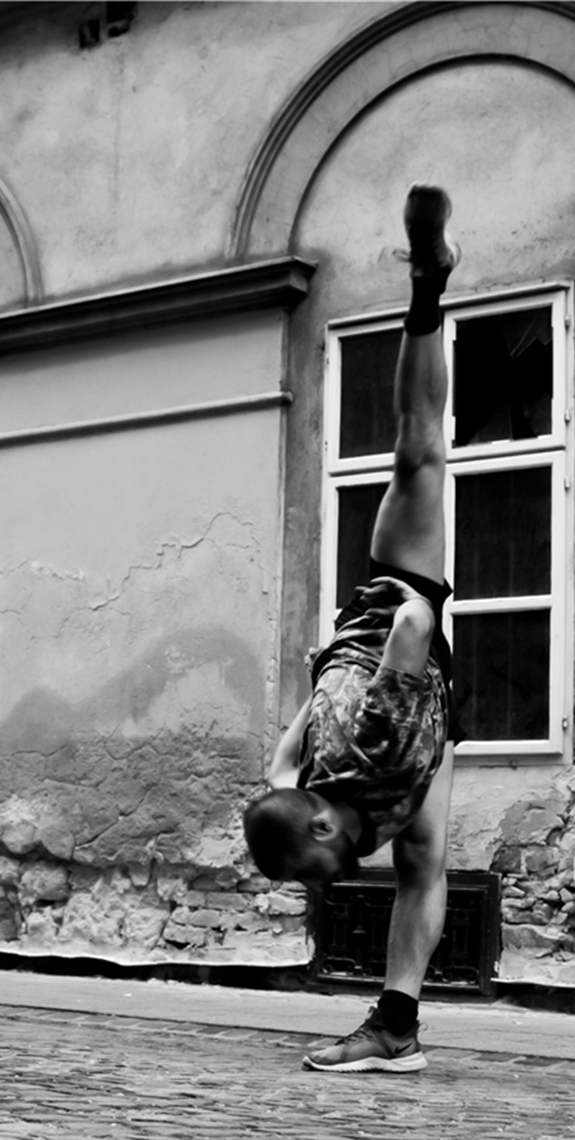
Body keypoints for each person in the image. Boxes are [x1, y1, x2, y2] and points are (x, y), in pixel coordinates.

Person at [244, 183, 461, 1072]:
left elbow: (279, 762)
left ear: (323, 829)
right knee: (419, 449)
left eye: (306, 871)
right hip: (404, 636)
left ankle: (397, 1028)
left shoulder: (320, 778)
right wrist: (397, 634)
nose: (316, 889)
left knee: (417, 448)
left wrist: (320, 676)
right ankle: (428, 286)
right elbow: (410, 637)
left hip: (400, 644)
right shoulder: (374, 757)